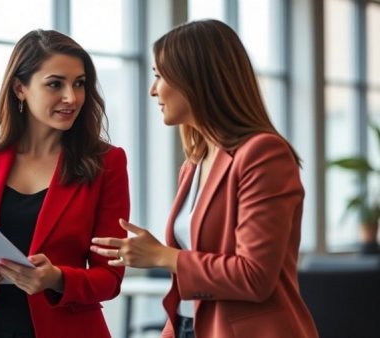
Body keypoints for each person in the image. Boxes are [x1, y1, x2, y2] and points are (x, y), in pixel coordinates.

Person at [91, 19, 318, 338]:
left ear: (195, 79)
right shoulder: (194, 163)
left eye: (159, 76)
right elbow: (190, 284)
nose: (152, 90)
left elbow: (254, 276)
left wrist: (160, 255)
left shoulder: (264, 154)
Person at [0, 29, 130, 338]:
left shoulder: (107, 163)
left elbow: (110, 277)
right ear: (20, 88)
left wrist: (56, 279)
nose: (72, 97)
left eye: (79, 83)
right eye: (55, 84)